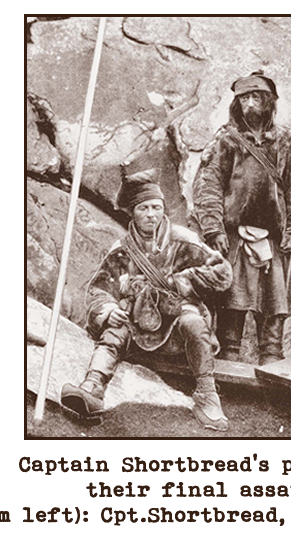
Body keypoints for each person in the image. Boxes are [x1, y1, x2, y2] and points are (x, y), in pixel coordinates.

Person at [60, 169, 234, 431]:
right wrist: (108, 310)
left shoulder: (184, 241)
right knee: (114, 328)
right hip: (138, 327)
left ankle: (207, 394)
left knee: (194, 323)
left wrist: (182, 282)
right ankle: (92, 388)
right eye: (143, 208)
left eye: (156, 207)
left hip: (178, 326)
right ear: (133, 212)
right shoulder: (122, 249)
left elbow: (223, 273)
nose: (151, 214)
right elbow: (98, 289)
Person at [192, 71, 291, 365]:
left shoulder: (286, 141)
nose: (249, 104)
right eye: (244, 98)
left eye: (256, 97)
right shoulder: (226, 140)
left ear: (268, 101)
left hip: (273, 240)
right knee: (232, 305)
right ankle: (229, 368)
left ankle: (272, 369)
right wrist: (213, 228)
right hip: (234, 238)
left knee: (274, 309)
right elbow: (209, 185)